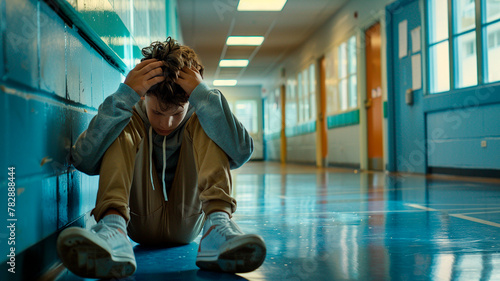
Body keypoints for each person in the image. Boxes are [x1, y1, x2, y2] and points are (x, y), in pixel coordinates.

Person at [56, 37, 266, 278]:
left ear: (187, 101)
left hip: (190, 220)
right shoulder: (133, 109)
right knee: (122, 121)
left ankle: (218, 228)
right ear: (145, 96)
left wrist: (204, 96)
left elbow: (242, 152)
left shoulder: (198, 109)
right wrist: (125, 95)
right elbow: (84, 159)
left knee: (206, 119)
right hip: (134, 221)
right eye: (157, 112)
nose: (166, 123)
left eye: (177, 113)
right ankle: (113, 232)